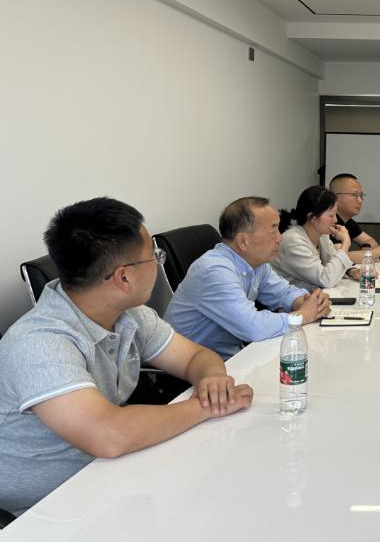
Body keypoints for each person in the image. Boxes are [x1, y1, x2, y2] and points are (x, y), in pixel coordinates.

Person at [0, 198, 254, 515]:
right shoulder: (39, 343)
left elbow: (194, 357)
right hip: (40, 508)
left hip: (104, 475)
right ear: (124, 278)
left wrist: (213, 377)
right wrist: (208, 407)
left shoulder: (129, 314)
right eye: (155, 257)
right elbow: (108, 435)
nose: (158, 264)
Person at [165, 197, 332, 360]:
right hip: (193, 369)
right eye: (273, 230)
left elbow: (283, 292)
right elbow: (253, 327)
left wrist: (306, 302)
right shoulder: (214, 270)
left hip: (233, 357)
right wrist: (303, 315)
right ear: (243, 241)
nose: (279, 237)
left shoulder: (256, 263)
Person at [271, 186, 360, 291]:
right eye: (331, 215)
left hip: (310, 294)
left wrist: (351, 271)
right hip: (289, 299)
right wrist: (346, 243)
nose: (335, 220)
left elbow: (332, 262)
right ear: (312, 217)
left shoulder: (322, 235)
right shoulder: (293, 241)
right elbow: (326, 279)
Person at [329, 173, 380, 262]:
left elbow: (371, 241)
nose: (360, 201)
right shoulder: (329, 223)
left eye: (361, 195)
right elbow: (341, 258)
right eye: (354, 195)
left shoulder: (348, 222)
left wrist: (366, 248)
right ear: (335, 197)